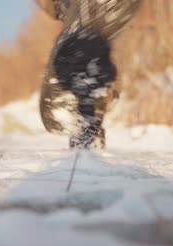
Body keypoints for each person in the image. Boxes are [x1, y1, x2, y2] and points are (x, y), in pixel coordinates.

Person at [36, 0, 141, 149]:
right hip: (87, 28)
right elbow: (54, 8)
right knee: (79, 76)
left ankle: (87, 141)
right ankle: (86, 141)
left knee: (86, 71)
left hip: (99, 25)